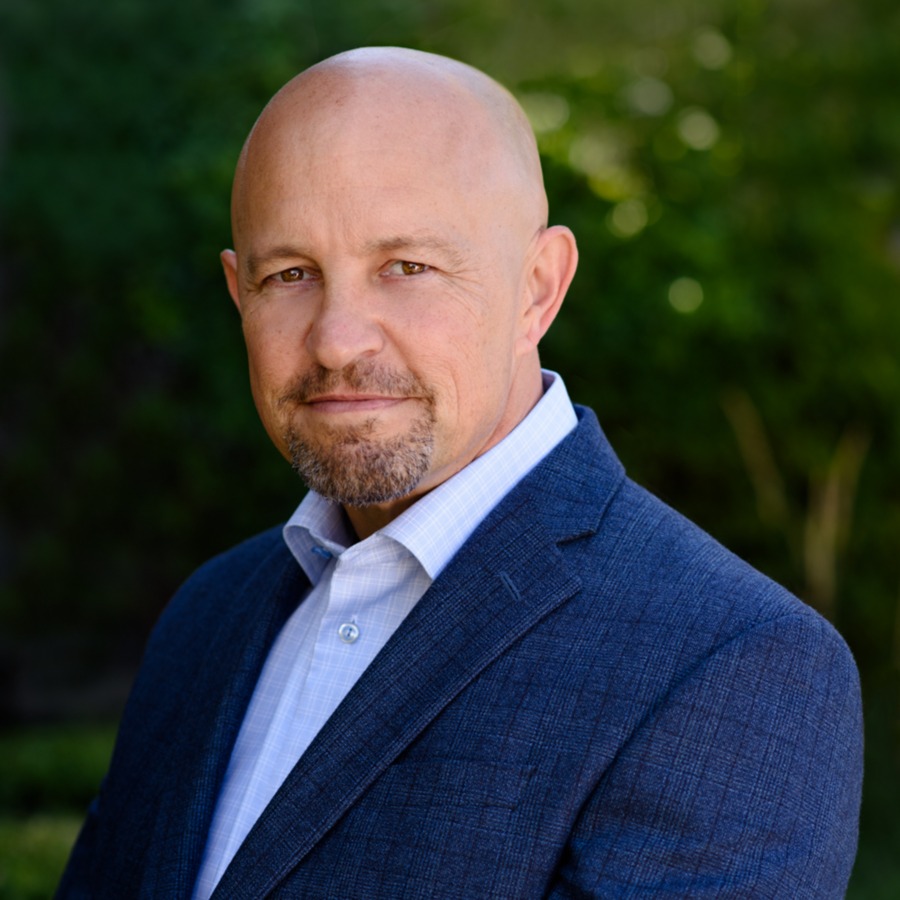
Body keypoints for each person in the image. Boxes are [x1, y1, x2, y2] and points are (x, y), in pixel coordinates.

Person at [58, 47, 863, 898]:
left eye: (406, 267)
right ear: (238, 293)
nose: (337, 340)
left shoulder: (733, 666)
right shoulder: (207, 615)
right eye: (290, 275)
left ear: (537, 289)